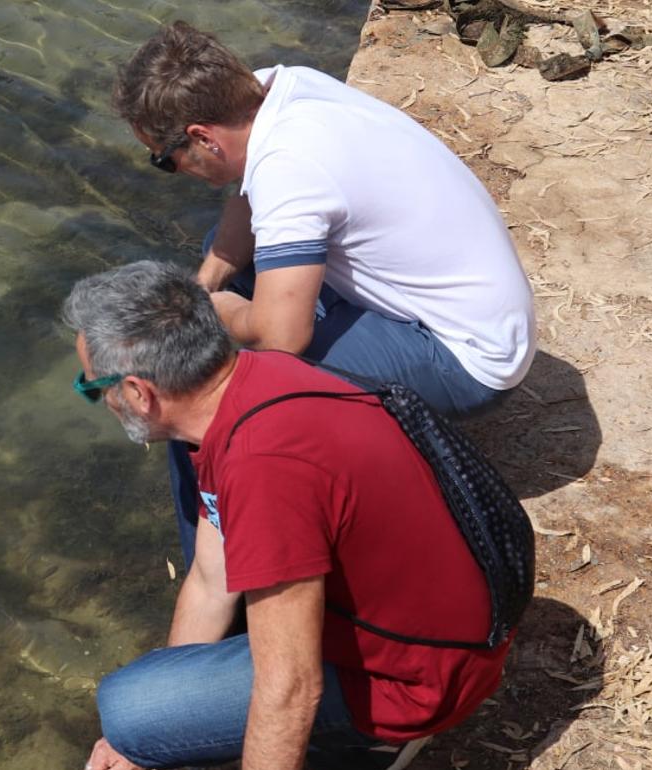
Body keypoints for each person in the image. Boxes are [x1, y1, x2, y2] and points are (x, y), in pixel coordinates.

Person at [112, 20, 537, 567]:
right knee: (220, 258)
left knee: (199, 382)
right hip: (475, 312)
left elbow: (281, 337)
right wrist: (204, 285)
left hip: (469, 361)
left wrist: (217, 314)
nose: (172, 171)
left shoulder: (290, 168)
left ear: (202, 138)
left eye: (164, 160)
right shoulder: (278, 91)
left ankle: (219, 571)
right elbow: (247, 204)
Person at [63, 261, 512, 770]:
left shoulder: (262, 468)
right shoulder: (256, 383)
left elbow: (290, 686)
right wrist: (168, 724)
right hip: (454, 626)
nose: (101, 401)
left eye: (93, 387)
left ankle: (373, 743)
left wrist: (150, 724)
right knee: (146, 714)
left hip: (421, 680)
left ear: (140, 393)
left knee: (128, 708)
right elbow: (212, 579)